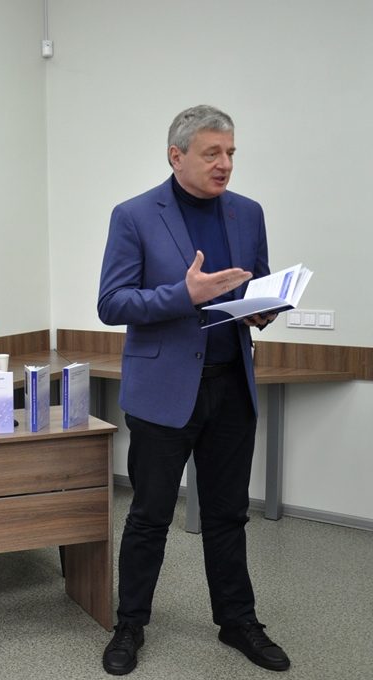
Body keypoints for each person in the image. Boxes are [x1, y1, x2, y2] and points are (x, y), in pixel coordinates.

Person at [97, 105, 287, 675]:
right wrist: (185, 295)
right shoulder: (134, 215)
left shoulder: (248, 213)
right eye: (212, 153)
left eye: (230, 153)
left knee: (228, 515)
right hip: (163, 393)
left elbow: (254, 286)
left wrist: (262, 310)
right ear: (176, 156)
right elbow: (112, 303)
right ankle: (130, 624)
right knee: (149, 516)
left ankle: (238, 621)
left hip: (232, 387)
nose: (225, 163)